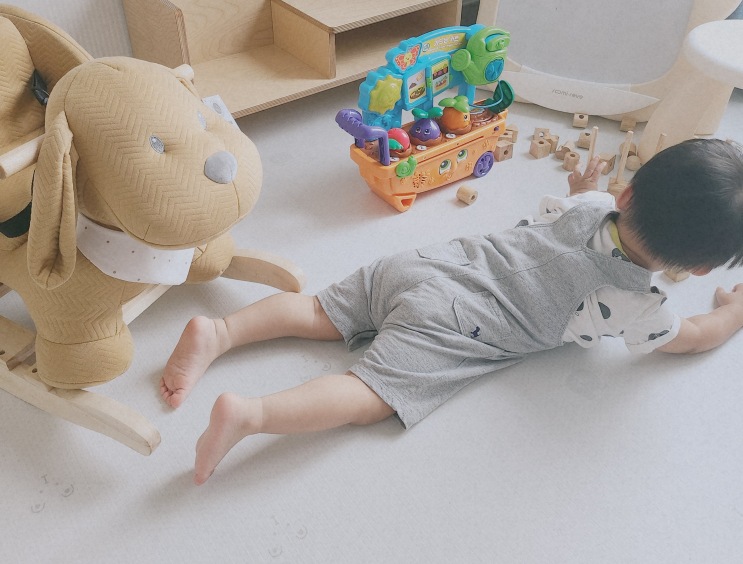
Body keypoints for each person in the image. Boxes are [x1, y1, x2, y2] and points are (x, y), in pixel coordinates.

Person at [160, 139, 743, 485]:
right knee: (371, 391)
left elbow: (570, 208)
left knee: (318, 312)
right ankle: (252, 414)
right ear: (699, 269)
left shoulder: (590, 202)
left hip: (431, 263)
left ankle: (220, 331)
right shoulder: (639, 304)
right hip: (457, 321)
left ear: (627, 194)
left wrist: (581, 188)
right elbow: (692, 335)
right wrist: (734, 314)